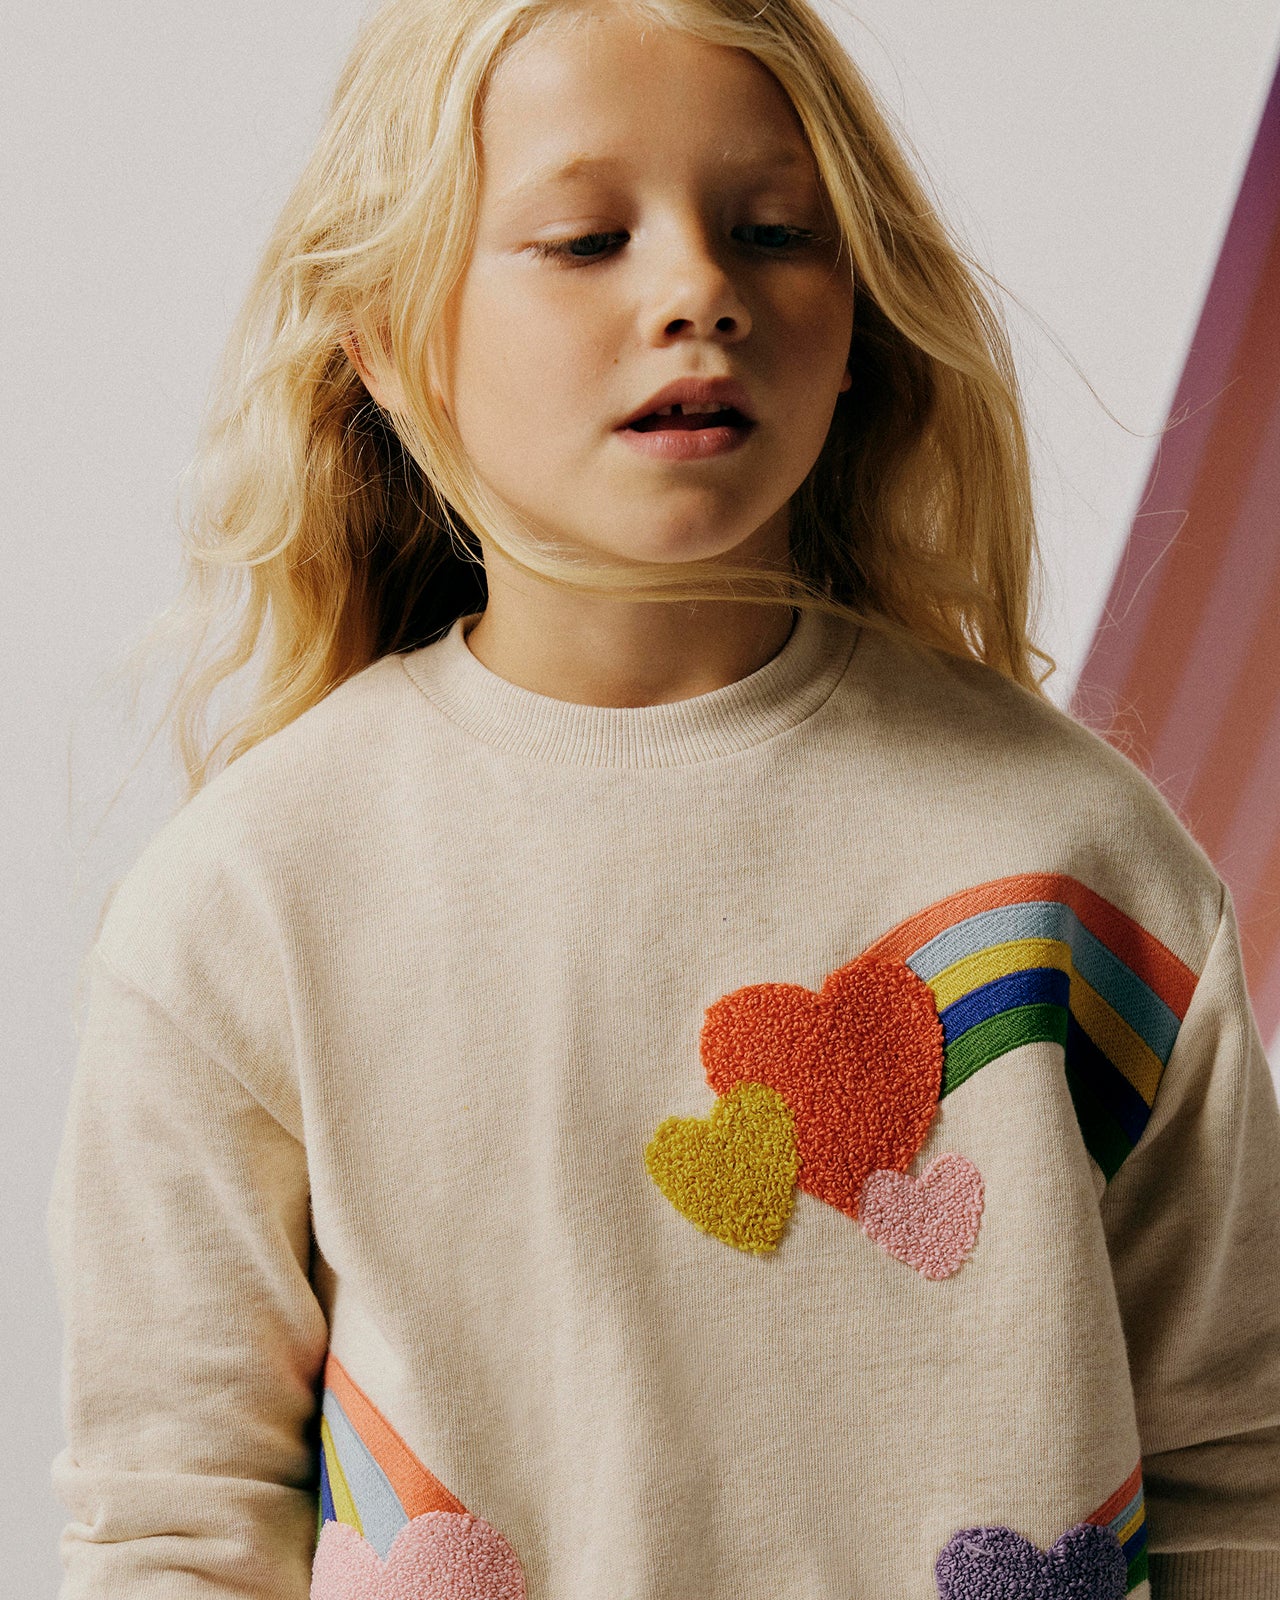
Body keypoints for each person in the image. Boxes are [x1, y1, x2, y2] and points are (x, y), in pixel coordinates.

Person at [48, 0, 1280, 1595]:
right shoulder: (251, 903)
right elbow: (174, 1528)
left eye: (775, 230)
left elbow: (1241, 1485)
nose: (700, 290)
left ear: (859, 318)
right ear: (384, 338)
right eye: (581, 239)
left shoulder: (1079, 857)